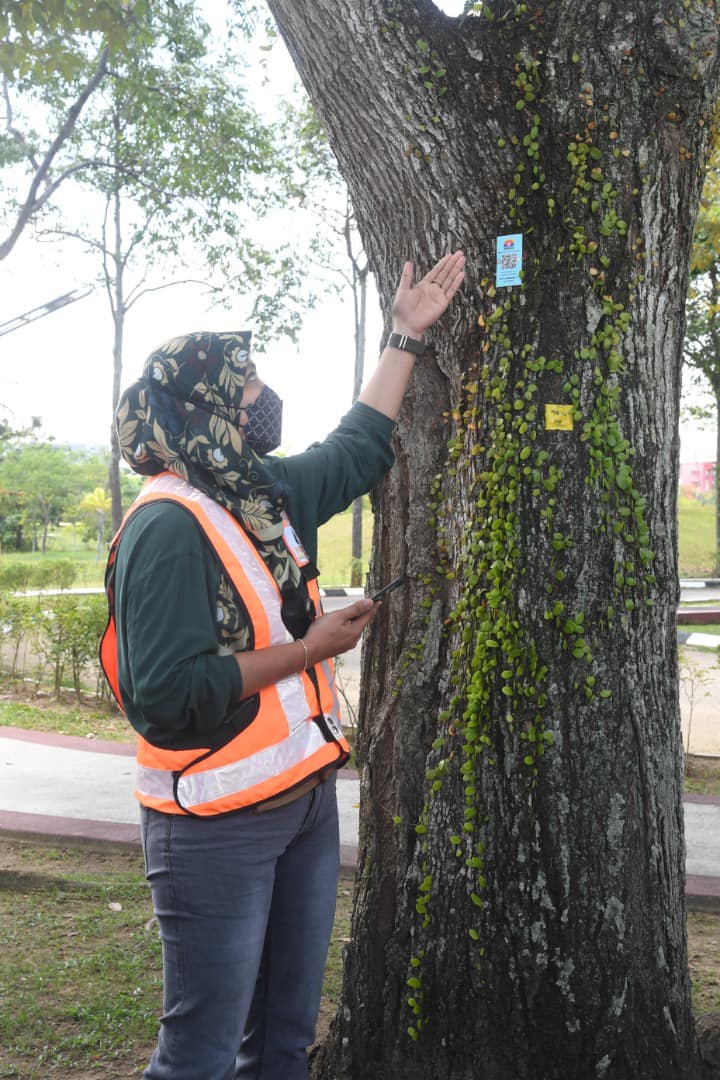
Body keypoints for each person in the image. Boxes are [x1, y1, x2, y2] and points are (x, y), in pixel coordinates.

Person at [100, 250, 465, 1080]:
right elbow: (167, 695)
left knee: (282, 1042)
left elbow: (355, 451)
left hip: (301, 803)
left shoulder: (255, 492)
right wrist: (309, 649)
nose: (264, 397)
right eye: (251, 382)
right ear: (208, 405)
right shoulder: (168, 525)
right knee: (198, 1056)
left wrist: (405, 337)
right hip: (214, 825)